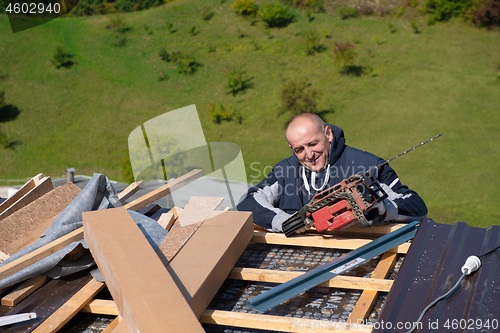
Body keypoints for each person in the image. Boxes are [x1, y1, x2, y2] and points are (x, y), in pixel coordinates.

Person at [237, 113, 427, 232]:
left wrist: (384, 208)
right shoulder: (285, 170)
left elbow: (416, 205)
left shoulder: (370, 165)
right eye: (299, 149)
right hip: (302, 264)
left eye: (313, 144)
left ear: (328, 134)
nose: (309, 154)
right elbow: (248, 202)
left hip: (361, 260)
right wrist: (285, 222)